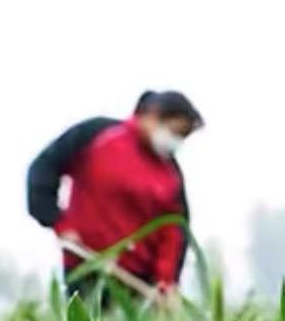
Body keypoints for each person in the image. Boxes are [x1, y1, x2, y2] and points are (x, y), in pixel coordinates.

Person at [26, 90, 203, 302]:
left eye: (182, 136)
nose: (175, 141)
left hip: (138, 283)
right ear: (152, 116)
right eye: (174, 131)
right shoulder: (97, 135)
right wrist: (56, 220)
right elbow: (43, 169)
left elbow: (174, 230)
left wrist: (166, 282)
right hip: (86, 264)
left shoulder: (170, 172)